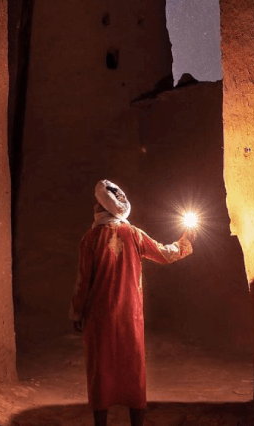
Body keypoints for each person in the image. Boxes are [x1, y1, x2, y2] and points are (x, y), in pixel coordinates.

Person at [71, 180, 194, 426]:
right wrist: (184, 242)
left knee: (100, 370)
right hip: (130, 317)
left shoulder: (91, 238)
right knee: (133, 369)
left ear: (103, 208)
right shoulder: (134, 234)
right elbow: (164, 253)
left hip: (99, 317)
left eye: (96, 203)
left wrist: (77, 314)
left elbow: (83, 281)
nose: (94, 207)